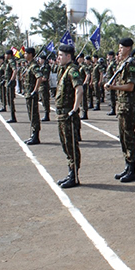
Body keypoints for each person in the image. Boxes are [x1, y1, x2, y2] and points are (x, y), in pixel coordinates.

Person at [105, 38, 135, 183]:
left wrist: (113, 87)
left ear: (128, 48)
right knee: (123, 138)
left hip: (128, 106)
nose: (119, 50)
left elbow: (130, 86)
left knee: (129, 137)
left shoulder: (131, 65)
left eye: (121, 48)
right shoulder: (122, 64)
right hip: (122, 105)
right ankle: (127, 166)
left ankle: (132, 170)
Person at [54, 44, 84, 189]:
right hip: (61, 113)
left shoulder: (73, 71)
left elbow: (79, 89)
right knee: (65, 144)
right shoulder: (63, 70)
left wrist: (74, 109)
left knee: (71, 145)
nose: (58, 58)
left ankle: (74, 176)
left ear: (68, 56)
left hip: (67, 113)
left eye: (61, 55)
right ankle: (70, 172)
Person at [23, 47, 43, 145]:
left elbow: (39, 77)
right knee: (31, 114)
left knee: (34, 115)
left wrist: (35, 90)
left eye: (26, 53)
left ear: (30, 54)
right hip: (28, 94)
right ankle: (33, 135)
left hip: (31, 94)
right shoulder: (29, 65)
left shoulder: (34, 66)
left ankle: (36, 136)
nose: (24, 55)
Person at [4, 50, 18, 123]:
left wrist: (11, 80)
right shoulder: (8, 61)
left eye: (6, 54)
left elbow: (15, 70)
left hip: (10, 84)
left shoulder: (11, 61)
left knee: (10, 99)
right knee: (9, 99)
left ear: (9, 55)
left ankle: (13, 117)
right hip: (8, 82)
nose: (5, 56)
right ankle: (12, 116)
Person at [38, 54, 51, 121]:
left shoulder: (46, 67)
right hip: (41, 86)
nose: (39, 60)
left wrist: (38, 79)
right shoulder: (41, 66)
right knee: (43, 100)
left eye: (40, 59)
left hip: (44, 86)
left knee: (45, 100)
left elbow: (45, 78)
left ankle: (47, 115)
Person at [105, 51, 117, 116]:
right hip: (109, 80)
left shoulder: (113, 63)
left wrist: (114, 82)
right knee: (110, 95)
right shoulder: (109, 63)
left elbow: (115, 73)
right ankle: (112, 109)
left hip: (111, 81)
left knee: (113, 96)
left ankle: (113, 109)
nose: (108, 56)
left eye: (109, 55)